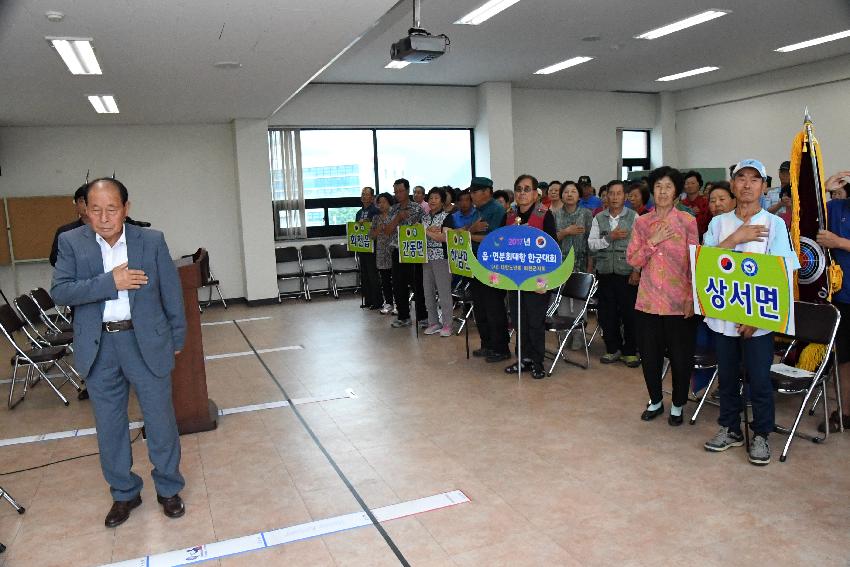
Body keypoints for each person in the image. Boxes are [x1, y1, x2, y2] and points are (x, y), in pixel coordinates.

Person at [51, 178, 187, 527]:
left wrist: (177, 338)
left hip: (146, 342)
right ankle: (124, 493)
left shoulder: (151, 241)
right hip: (99, 346)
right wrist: (110, 282)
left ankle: (168, 488)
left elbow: (171, 292)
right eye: (95, 209)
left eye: (112, 208)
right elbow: (61, 292)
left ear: (126, 208)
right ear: (85, 210)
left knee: (160, 420)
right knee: (110, 426)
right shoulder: (71, 243)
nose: (104, 216)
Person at [702, 159, 800, 466]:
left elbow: (783, 272)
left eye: (754, 179)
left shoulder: (775, 225)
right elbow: (706, 265)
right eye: (741, 178)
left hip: (758, 320)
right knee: (728, 377)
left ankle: (761, 434)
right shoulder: (718, 224)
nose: (747, 184)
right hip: (723, 315)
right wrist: (735, 239)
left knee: (759, 379)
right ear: (732, 186)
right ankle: (730, 428)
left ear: (764, 186)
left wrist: (757, 317)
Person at [627, 167, 698, 425]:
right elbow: (633, 259)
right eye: (658, 187)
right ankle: (655, 400)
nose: (663, 191)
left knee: (680, 359)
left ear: (677, 192)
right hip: (647, 302)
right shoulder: (642, 222)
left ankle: (678, 404)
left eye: (668, 187)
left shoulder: (687, 222)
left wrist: (692, 298)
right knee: (650, 357)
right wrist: (652, 240)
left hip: (679, 303)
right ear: (652, 191)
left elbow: (694, 263)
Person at [504, 174, 558, 379]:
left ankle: (537, 362)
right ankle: (523, 359)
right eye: (519, 189)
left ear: (536, 194)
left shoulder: (544, 215)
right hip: (515, 279)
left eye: (527, 189)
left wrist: (546, 280)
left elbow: (553, 249)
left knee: (535, 322)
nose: (522, 193)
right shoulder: (509, 215)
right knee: (519, 321)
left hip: (537, 280)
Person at [588, 180, 640, 367]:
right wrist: (609, 237)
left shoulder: (634, 217)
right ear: (607, 196)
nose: (615, 197)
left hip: (626, 274)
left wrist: (636, 270)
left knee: (630, 314)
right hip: (605, 273)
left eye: (619, 193)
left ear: (625, 196)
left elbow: (639, 247)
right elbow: (592, 244)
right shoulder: (599, 218)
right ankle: (613, 349)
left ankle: (630, 351)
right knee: (606, 315)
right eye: (612, 193)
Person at [815, 169, 850, 432]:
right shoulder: (836, 207)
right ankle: (845, 411)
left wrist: (840, 242)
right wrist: (823, 189)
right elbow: (805, 220)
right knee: (845, 358)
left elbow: (835, 241)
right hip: (842, 295)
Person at [468, 177, 511, 363]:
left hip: (492, 265)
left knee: (494, 308)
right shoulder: (477, 211)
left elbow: (492, 238)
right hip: (476, 264)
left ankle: (501, 348)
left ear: (486, 192)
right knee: (480, 307)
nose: (471, 195)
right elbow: (466, 232)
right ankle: (487, 344)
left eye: (474, 191)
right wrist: (471, 231)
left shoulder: (497, 210)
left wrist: (470, 234)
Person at [386, 178, 427, 328]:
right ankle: (403, 316)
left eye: (401, 191)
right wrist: (398, 218)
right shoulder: (393, 209)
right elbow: (387, 231)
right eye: (395, 191)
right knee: (398, 285)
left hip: (413, 251)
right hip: (397, 251)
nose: (398, 194)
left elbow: (424, 228)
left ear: (408, 190)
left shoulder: (417, 208)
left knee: (418, 285)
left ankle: (423, 317)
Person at [421, 187, 456, 337]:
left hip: (442, 257)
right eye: (430, 198)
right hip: (425, 258)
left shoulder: (448, 217)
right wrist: (429, 231)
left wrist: (426, 231)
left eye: (436, 198)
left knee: (444, 292)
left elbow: (444, 238)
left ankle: (448, 324)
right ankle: (434, 322)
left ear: (442, 201)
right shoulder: (424, 218)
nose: (432, 201)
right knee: (427, 292)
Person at [553, 181, 593, 273]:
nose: (569, 194)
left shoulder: (586, 214)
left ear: (579, 196)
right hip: (560, 264)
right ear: (561, 196)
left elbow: (591, 242)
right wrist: (566, 232)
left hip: (581, 264)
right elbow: (551, 240)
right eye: (566, 192)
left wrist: (590, 267)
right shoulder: (555, 215)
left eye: (573, 192)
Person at [355, 187, 382, 310]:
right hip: (362, 246)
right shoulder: (359, 213)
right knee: (364, 274)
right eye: (362, 194)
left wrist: (369, 222)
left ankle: (377, 301)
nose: (364, 196)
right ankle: (368, 299)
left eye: (366, 194)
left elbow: (378, 226)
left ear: (372, 197)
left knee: (373, 274)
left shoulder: (375, 211)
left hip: (373, 246)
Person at [49, 184, 89, 267]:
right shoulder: (65, 231)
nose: (86, 204)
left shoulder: (108, 230)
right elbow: (54, 260)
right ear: (76, 205)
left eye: (90, 200)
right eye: (82, 201)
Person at [369, 193, 395, 314]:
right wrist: (378, 230)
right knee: (384, 280)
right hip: (381, 252)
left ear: (390, 202)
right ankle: (389, 303)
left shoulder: (395, 216)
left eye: (384, 201)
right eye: (379, 202)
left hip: (394, 251)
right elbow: (371, 236)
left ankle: (400, 304)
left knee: (396, 280)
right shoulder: (375, 218)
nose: (381, 204)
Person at [681, 170, 711, 240]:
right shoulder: (681, 204)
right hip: (683, 240)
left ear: (699, 185)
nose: (690, 186)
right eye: (687, 183)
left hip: (703, 240)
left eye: (693, 183)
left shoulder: (706, 203)